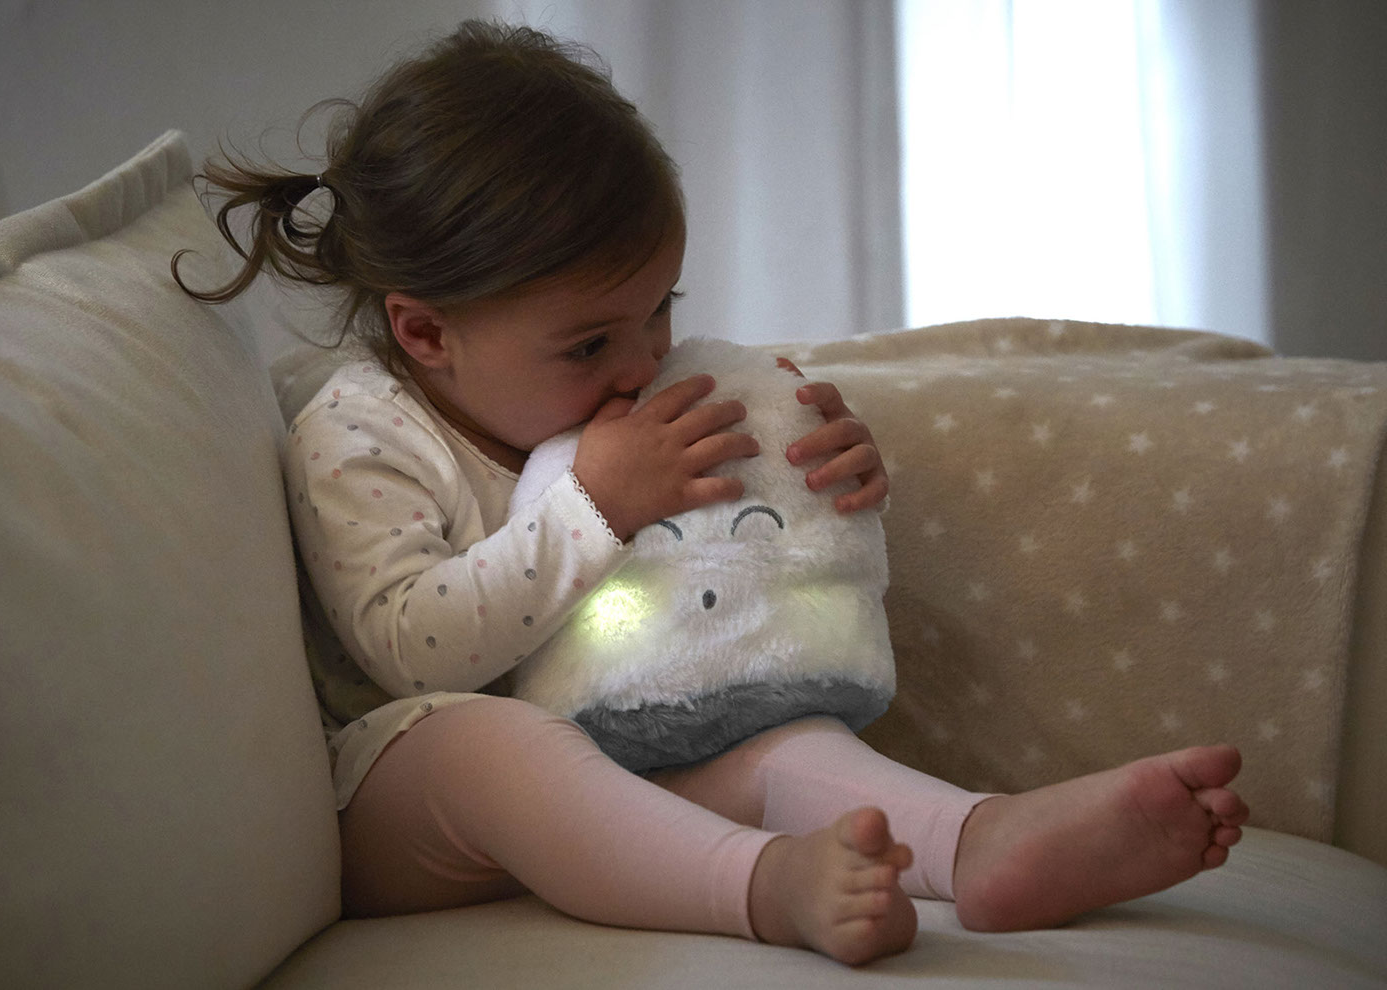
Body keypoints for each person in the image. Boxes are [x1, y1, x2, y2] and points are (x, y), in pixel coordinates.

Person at [175, 20, 1249, 967]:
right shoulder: (360, 433)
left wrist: (824, 481)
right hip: (404, 806)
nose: (644, 360)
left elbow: (732, 568)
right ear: (425, 333)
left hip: (615, 752)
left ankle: (980, 841)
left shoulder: (618, 401)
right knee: (486, 747)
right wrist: (596, 506)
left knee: (785, 742)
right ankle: (765, 887)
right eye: (590, 342)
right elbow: (409, 651)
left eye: (660, 310)